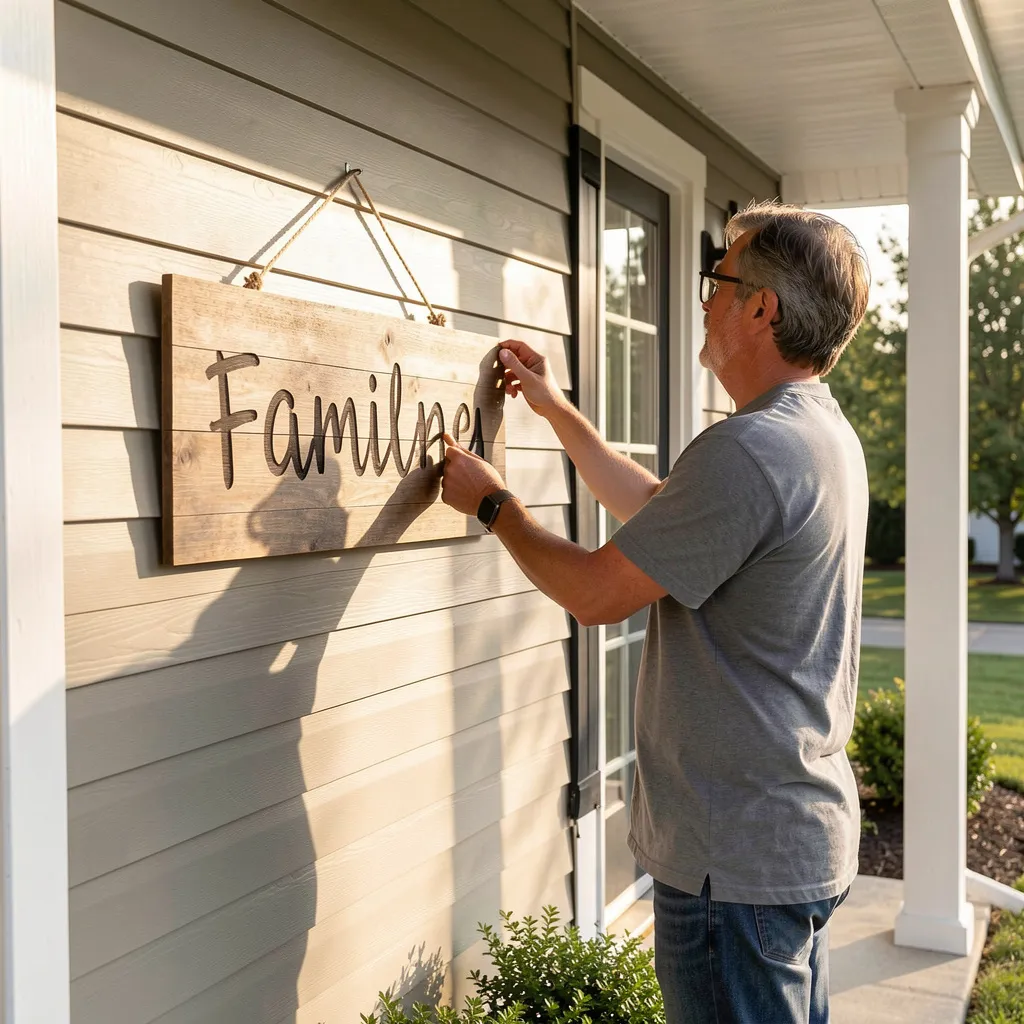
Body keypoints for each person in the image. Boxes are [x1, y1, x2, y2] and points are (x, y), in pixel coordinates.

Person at [440, 201, 870, 1024]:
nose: (704, 300)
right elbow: (662, 517)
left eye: (720, 279)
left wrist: (494, 505)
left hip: (733, 867)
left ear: (762, 309)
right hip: (787, 844)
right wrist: (555, 410)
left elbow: (599, 592)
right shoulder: (812, 434)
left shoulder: (750, 449)